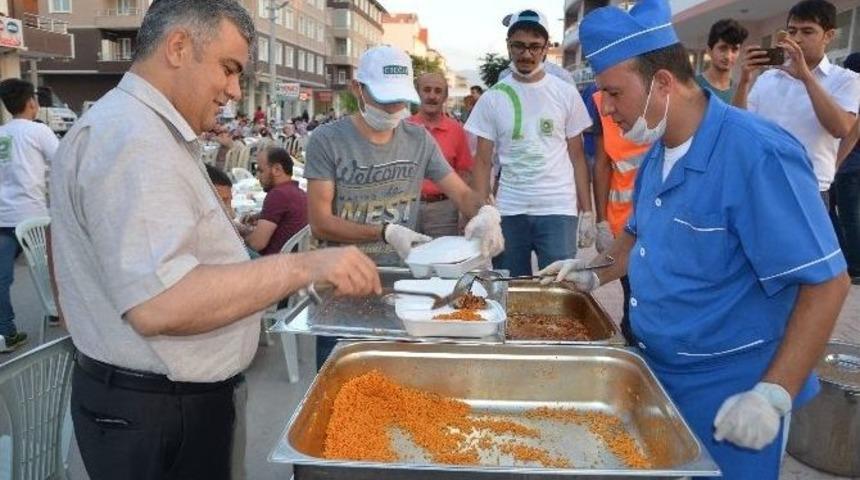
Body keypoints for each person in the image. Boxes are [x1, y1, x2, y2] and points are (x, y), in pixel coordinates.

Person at [49, 2, 381, 479]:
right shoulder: (133, 138)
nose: (233, 90)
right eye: (229, 70)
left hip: (161, 401)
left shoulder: (145, 130)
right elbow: (160, 304)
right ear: (179, 47)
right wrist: (304, 267)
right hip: (156, 410)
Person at [542, 1, 850, 478]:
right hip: (659, 372)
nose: (605, 109)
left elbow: (827, 283)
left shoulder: (757, 154)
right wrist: (592, 270)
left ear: (662, 83)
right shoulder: (658, 153)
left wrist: (773, 395)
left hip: (733, 387)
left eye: (612, 93)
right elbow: (633, 241)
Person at [305, 45, 504, 368]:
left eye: (398, 98)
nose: (393, 108)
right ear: (358, 88)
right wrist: (385, 231)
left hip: (401, 284)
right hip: (341, 282)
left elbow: (461, 193)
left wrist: (485, 213)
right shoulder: (328, 141)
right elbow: (320, 221)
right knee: (338, 382)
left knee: (393, 381)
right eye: (383, 99)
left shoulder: (419, 140)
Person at [466, 9, 594, 277]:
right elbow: (481, 161)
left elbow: (578, 156)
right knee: (511, 288)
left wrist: (588, 211)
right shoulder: (493, 98)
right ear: (508, 46)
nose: (526, 54)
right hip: (510, 209)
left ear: (546, 48)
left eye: (535, 46)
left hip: (558, 208)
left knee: (560, 288)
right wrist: (485, 212)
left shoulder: (566, 93)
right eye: (519, 46)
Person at [735, 0, 860, 207]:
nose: (797, 39)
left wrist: (806, 77)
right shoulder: (768, 78)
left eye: (807, 31)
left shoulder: (846, 80)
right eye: (792, 31)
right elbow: (741, 125)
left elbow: (841, 128)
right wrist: (744, 81)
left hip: (808, 190)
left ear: (828, 36)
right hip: (760, 185)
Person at [0, 78, 59, 352]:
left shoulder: (2, 134)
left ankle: (6, 333)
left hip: (3, 218)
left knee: (2, 278)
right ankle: (58, 310)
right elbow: (63, 162)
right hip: (33, 217)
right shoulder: (39, 132)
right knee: (55, 267)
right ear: (31, 102)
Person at [588, 87, 650, 346]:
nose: (608, 108)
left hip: (662, 225)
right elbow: (602, 165)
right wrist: (601, 220)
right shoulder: (601, 101)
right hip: (624, 222)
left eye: (616, 93)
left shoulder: (666, 106)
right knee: (633, 307)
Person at [408, 72, 474, 237]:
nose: (432, 96)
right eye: (427, 90)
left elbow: (464, 173)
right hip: (406, 208)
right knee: (403, 260)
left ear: (445, 97)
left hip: (443, 211)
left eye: (438, 91)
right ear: (417, 93)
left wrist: (462, 211)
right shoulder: (403, 128)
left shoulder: (456, 130)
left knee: (442, 259)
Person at [242, 147, 307, 255]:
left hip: (270, 264)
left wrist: (238, 240)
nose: (257, 177)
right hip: (292, 261)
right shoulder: (298, 193)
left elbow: (257, 244)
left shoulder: (278, 195)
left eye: (260, 171)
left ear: (277, 169)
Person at [834, 52, 860, 284]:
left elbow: (850, 135)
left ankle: (854, 265)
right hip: (850, 165)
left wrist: (836, 164)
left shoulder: (854, 94)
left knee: (849, 217)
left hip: (848, 166)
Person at [696, 19, 748, 103]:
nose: (728, 56)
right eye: (723, 48)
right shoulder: (693, 86)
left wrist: (745, 81)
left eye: (734, 49)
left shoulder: (738, 90)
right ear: (709, 50)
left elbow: (740, 115)